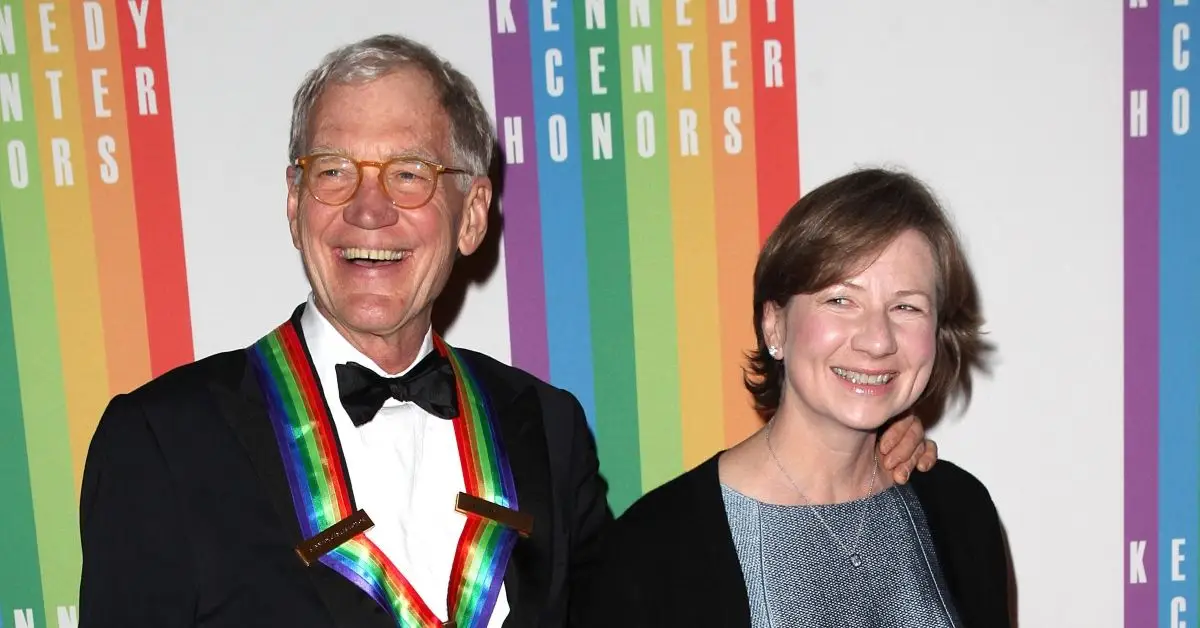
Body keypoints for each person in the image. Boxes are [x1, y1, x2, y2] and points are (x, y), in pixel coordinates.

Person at [77, 33, 938, 628]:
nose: (368, 207)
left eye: (411, 173)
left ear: (471, 213)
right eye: (333, 170)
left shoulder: (544, 428)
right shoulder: (163, 439)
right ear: (295, 202)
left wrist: (861, 445)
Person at [581, 168, 1011, 627]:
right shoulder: (654, 550)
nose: (878, 340)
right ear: (775, 325)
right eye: (841, 300)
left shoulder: (961, 510)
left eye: (906, 306)